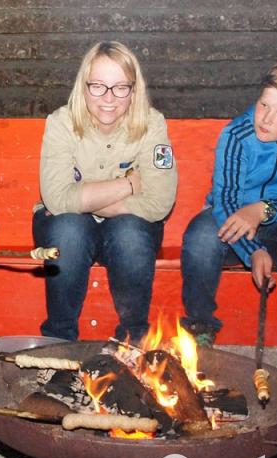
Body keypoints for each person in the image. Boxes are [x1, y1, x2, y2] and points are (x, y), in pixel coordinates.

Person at [180, 59, 277, 393]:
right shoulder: (237, 134)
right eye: (264, 104)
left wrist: (263, 209)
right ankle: (199, 329)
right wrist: (253, 251)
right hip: (233, 216)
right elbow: (225, 202)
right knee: (200, 234)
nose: (266, 118)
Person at [33, 41, 177, 344]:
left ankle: (134, 341)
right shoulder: (61, 123)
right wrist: (128, 185)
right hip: (65, 227)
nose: (109, 98)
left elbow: (159, 203)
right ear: (83, 87)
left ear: (134, 90)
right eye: (98, 86)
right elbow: (57, 200)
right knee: (70, 228)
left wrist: (85, 200)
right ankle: (59, 342)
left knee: (128, 233)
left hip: (128, 227)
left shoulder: (152, 124)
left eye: (120, 87)